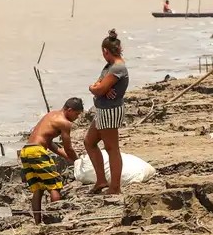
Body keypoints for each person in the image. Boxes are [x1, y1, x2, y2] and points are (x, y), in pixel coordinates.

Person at [18, 97, 84, 223]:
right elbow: (68, 147)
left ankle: (37, 222)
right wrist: (77, 160)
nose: (77, 117)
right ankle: (55, 218)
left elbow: (48, 143)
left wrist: (66, 157)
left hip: (26, 151)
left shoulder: (51, 115)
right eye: (77, 114)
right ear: (69, 110)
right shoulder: (65, 123)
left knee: (38, 187)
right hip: (37, 151)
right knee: (55, 185)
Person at [86, 29, 130, 195]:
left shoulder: (117, 68)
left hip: (109, 111)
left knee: (112, 149)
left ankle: (115, 187)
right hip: (103, 110)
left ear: (105, 51)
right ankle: (102, 180)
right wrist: (100, 87)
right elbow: (99, 85)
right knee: (89, 142)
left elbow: (98, 88)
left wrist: (97, 88)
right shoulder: (110, 66)